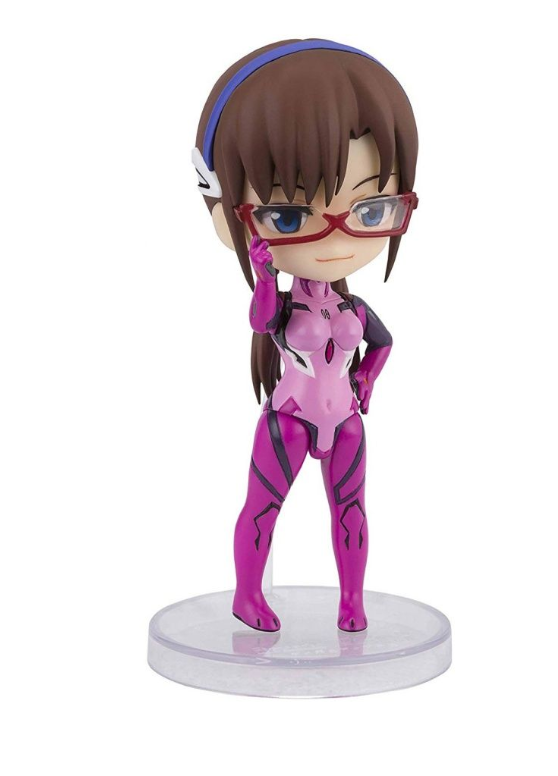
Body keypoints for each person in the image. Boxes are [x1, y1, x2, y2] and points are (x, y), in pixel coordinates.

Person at [192, 38, 419, 631]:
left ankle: (352, 603)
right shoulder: (283, 307)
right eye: (290, 216)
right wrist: (266, 272)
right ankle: (247, 595)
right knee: (263, 508)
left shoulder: (354, 306)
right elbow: (260, 317)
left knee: (352, 513)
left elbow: (384, 342)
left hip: (345, 420)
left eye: (372, 210)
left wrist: (367, 376)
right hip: (289, 419)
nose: (337, 240)